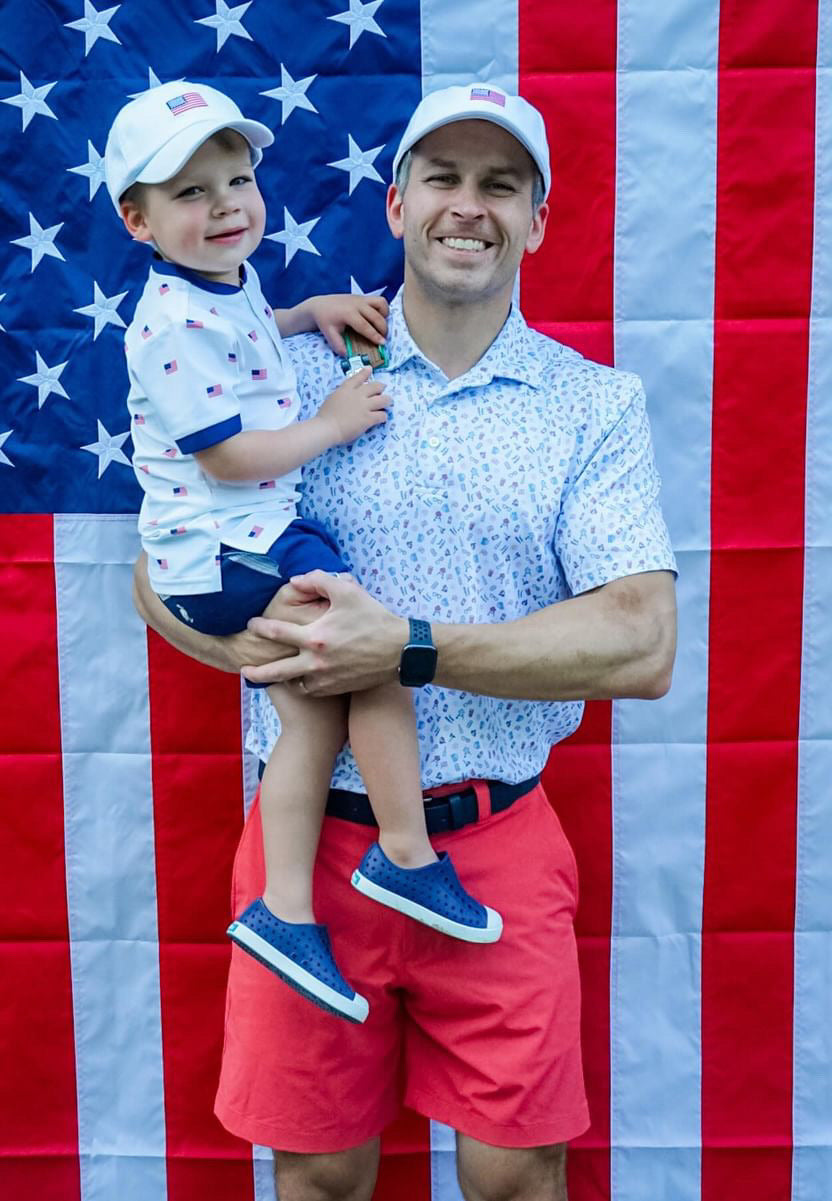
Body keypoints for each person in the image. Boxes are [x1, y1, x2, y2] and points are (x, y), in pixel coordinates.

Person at [133, 82, 678, 1201]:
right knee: (323, 1172)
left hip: (495, 843)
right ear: (395, 206)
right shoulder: (299, 373)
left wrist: (408, 648)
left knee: (516, 1170)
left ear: (537, 219)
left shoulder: (592, 406)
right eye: (442, 178)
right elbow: (157, 562)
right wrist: (237, 647)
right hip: (311, 852)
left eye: (499, 185)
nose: (467, 207)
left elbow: (640, 641)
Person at [105, 82, 503, 1027]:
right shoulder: (166, 323)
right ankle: (404, 856)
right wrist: (330, 423)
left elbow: (243, 334)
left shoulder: (217, 285)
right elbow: (230, 453)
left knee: (316, 724)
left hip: (246, 539)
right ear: (138, 220)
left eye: (237, 179)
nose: (227, 205)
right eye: (191, 193)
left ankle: (286, 912)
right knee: (380, 655)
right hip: (223, 554)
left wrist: (304, 310)